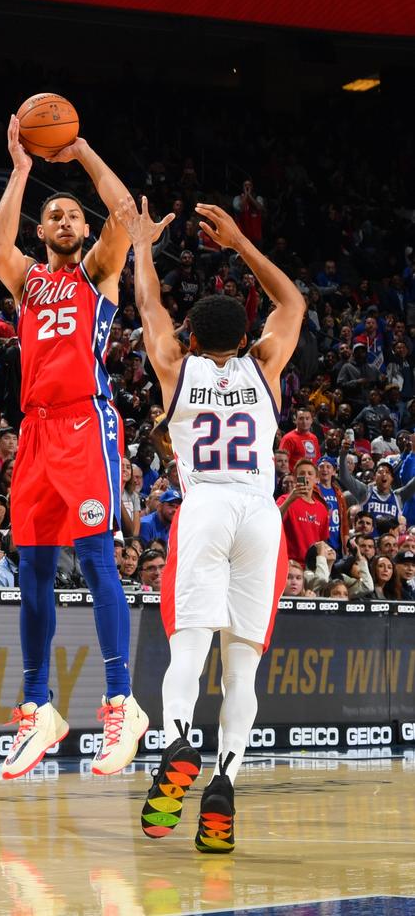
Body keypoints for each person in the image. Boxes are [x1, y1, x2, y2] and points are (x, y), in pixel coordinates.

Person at [122, 196, 303, 853]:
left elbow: (148, 307)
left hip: (203, 507)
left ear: (193, 338)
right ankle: (224, 786)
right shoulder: (267, 366)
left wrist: (143, 247)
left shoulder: (177, 366)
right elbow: (293, 304)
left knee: (189, 649)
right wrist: (240, 247)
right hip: (260, 512)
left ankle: (177, 744)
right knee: (242, 670)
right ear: (244, 337)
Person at [0, 116, 148, 780]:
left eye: (70, 216)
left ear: (83, 234)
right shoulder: (28, 283)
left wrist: (79, 149)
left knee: (95, 558)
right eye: (50, 215)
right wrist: (22, 170)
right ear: (40, 229)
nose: (60, 219)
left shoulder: (98, 275)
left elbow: (125, 211)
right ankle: (38, 707)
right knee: (33, 573)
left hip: (85, 423)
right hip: (34, 431)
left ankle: (120, 702)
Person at [277, 459, 330, 564]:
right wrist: (290, 499)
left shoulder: (322, 508)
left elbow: (322, 540)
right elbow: (273, 521)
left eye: (310, 473)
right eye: (302, 473)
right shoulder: (284, 499)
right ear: (295, 478)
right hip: (290, 564)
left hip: (313, 565)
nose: (306, 476)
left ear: (316, 479)